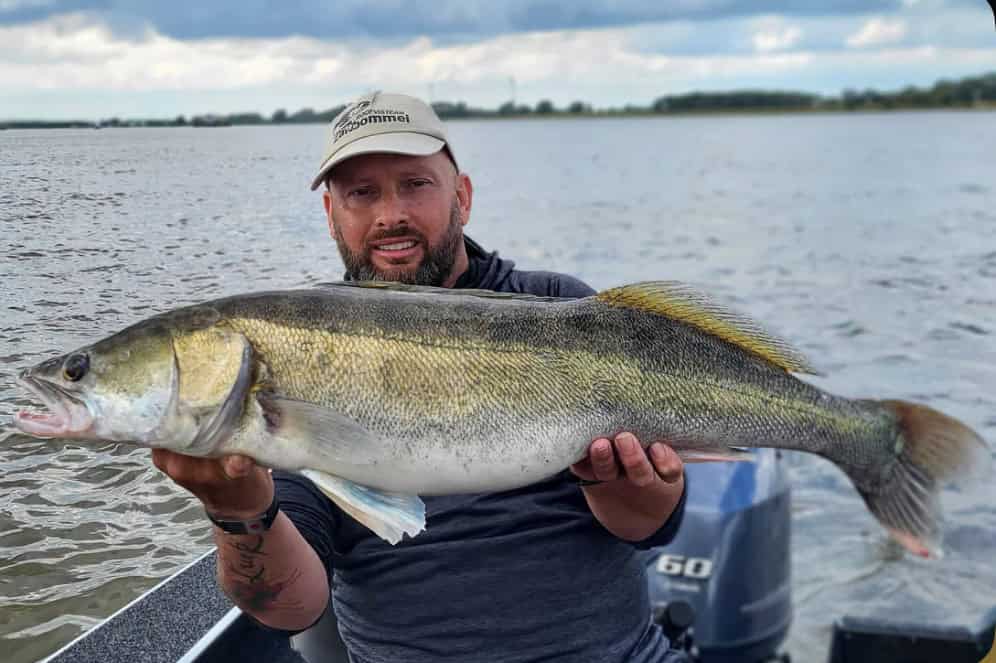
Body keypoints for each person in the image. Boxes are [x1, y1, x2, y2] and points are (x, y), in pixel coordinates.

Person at [153, 91, 690, 663]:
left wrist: (629, 487)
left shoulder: (557, 307)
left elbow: (647, 526)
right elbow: (291, 608)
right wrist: (239, 512)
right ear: (331, 214)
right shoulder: (295, 351)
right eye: (362, 193)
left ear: (461, 195)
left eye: (415, 184)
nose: (390, 216)